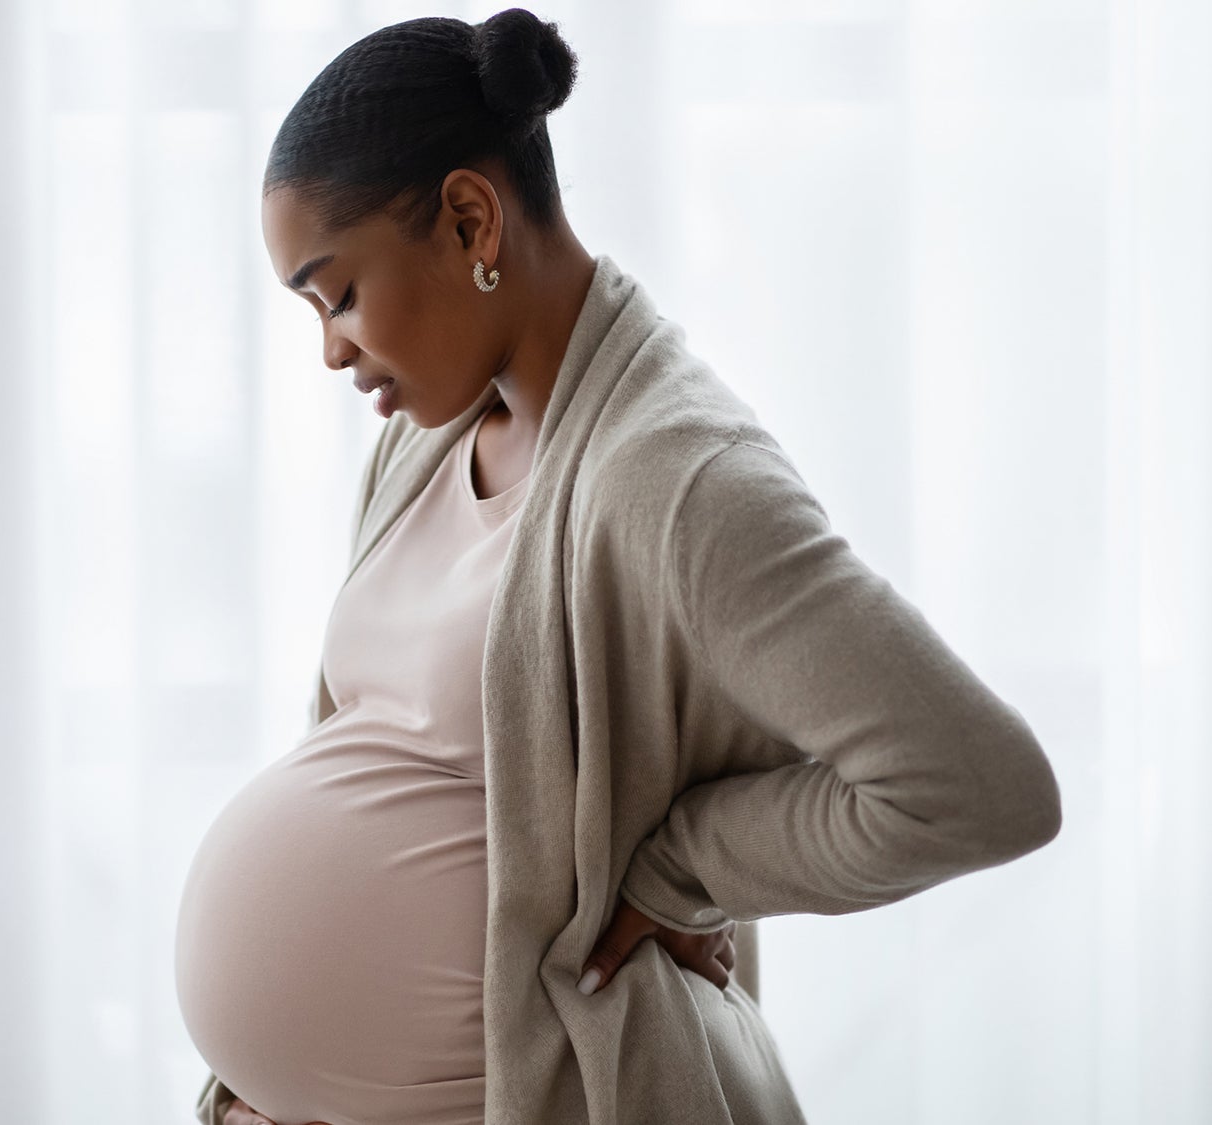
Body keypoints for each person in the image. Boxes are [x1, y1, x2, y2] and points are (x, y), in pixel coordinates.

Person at [174, 8, 1062, 1125]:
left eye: (338, 293)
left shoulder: (680, 480)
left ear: (468, 218)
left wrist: (682, 867)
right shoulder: (427, 433)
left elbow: (978, 787)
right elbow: (373, 759)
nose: (331, 350)